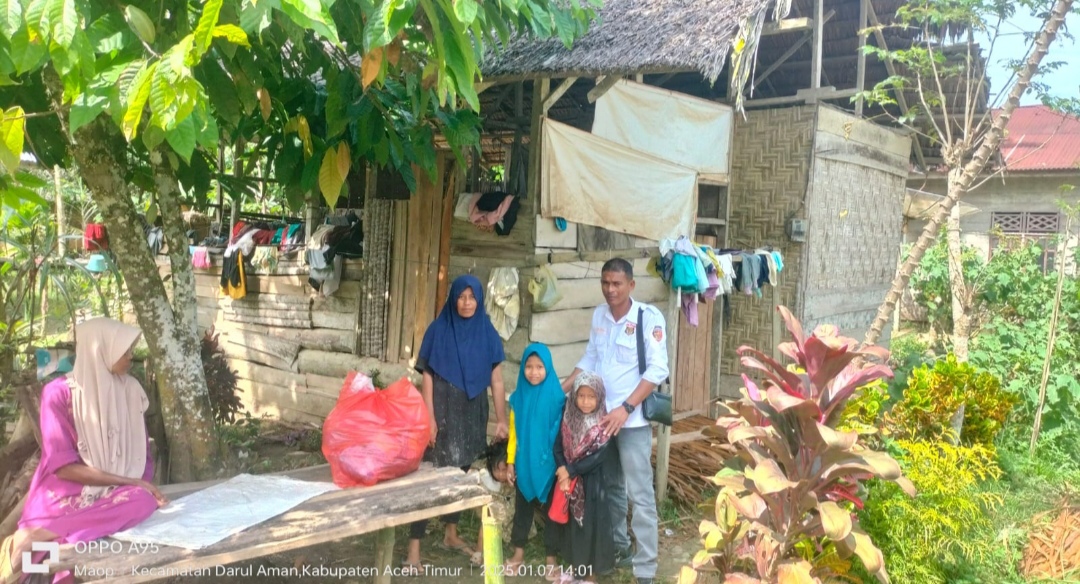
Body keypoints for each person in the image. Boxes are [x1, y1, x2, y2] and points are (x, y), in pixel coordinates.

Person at [1, 318, 168, 584]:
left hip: (114, 489)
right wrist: (128, 481)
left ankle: (42, 537)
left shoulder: (131, 390)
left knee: (142, 501)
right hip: (64, 489)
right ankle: (41, 542)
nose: (130, 358)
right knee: (130, 502)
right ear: (100, 349)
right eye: (124, 351)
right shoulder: (57, 394)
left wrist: (137, 483)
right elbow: (63, 467)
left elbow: (141, 453)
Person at [561, 258, 668, 584]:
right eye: (605, 283)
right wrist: (561, 389)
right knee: (611, 489)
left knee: (640, 494)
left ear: (631, 285)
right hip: (601, 422)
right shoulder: (599, 316)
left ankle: (646, 568)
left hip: (631, 422)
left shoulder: (648, 318)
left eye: (617, 283)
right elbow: (591, 358)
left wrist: (625, 408)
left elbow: (657, 369)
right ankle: (620, 547)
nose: (610, 289)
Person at [403, 275, 509, 573]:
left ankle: (450, 533)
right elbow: (427, 375)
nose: (466, 303)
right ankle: (414, 550)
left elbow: (497, 380)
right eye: (461, 297)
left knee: (463, 473)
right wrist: (430, 418)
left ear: (479, 299)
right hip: (444, 413)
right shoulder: (438, 329)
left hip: (474, 414)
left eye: (471, 297)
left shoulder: (487, 332)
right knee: (431, 479)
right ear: (453, 298)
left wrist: (500, 419)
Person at [503, 344, 565, 577]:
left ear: (548, 367)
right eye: (528, 366)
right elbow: (514, 434)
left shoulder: (557, 397)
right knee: (522, 510)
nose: (534, 372)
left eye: (540, 367)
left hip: (550, 465)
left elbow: (560, 433)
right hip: (524, 463)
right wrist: (510, 461)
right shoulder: (518, 398)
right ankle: (518, 553)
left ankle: (551, 559)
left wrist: (557, 464)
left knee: (552, 513)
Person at [554, 372, 616, 583]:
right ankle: (575, 569)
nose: (586, 401)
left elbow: (598, 458)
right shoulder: (568, 416)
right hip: (569, 483)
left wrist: (570, 470)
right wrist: (562, 468)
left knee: (591, 528)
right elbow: (558, 446)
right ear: (574, 396)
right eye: (581, 396)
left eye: (591, 396)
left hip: (592, 485)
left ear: (599, 397)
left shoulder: (604, 423)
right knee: (571, 526)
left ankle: (590, 575)